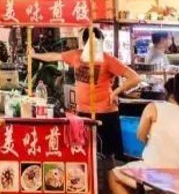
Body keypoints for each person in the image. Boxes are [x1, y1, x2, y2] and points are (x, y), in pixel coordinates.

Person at [30, 27, 140, 160]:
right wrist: (34, 55)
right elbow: (54, 56)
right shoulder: (77, 55)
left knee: (108, 155)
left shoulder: (108, 60)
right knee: (86, 153)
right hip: (83, 112)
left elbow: (135, 78)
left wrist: (115, 93)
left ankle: (106, 180)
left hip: (105, 113)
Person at [109, 74, 179, 194]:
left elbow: (140, 136)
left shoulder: (153, 107)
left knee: (113, 175)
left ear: (170, 94)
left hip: (155, 174)